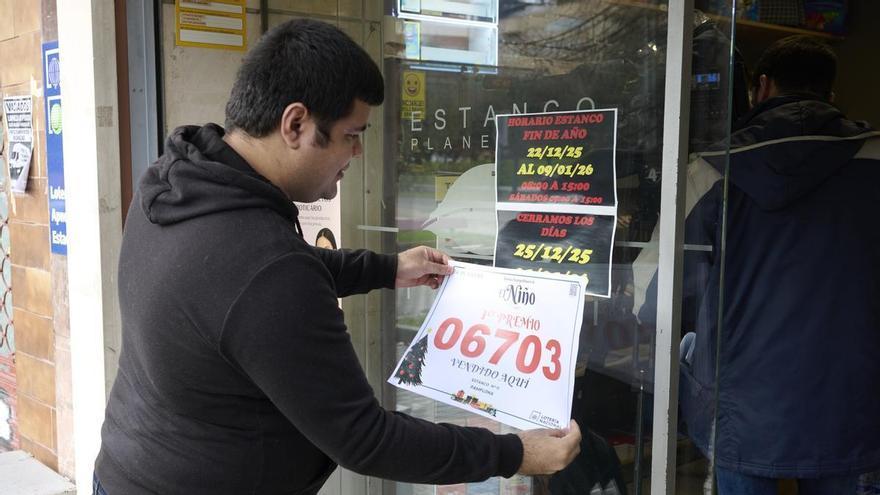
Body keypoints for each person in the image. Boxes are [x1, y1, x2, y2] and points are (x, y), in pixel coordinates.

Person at [93, 19, 581, 495]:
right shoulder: (264, 265)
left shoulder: (178, 185)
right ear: (296, 123)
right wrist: (513, 453)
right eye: (353, 134)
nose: (359, 154)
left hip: (129, 467)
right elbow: (366, 439)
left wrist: (389, 269)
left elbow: (253, 285)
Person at [640, 35, 880, 494]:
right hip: (855, 401)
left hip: (742, 408)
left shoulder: (713, 169)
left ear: (762, 87)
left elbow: (659, 295)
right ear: (830, 95)